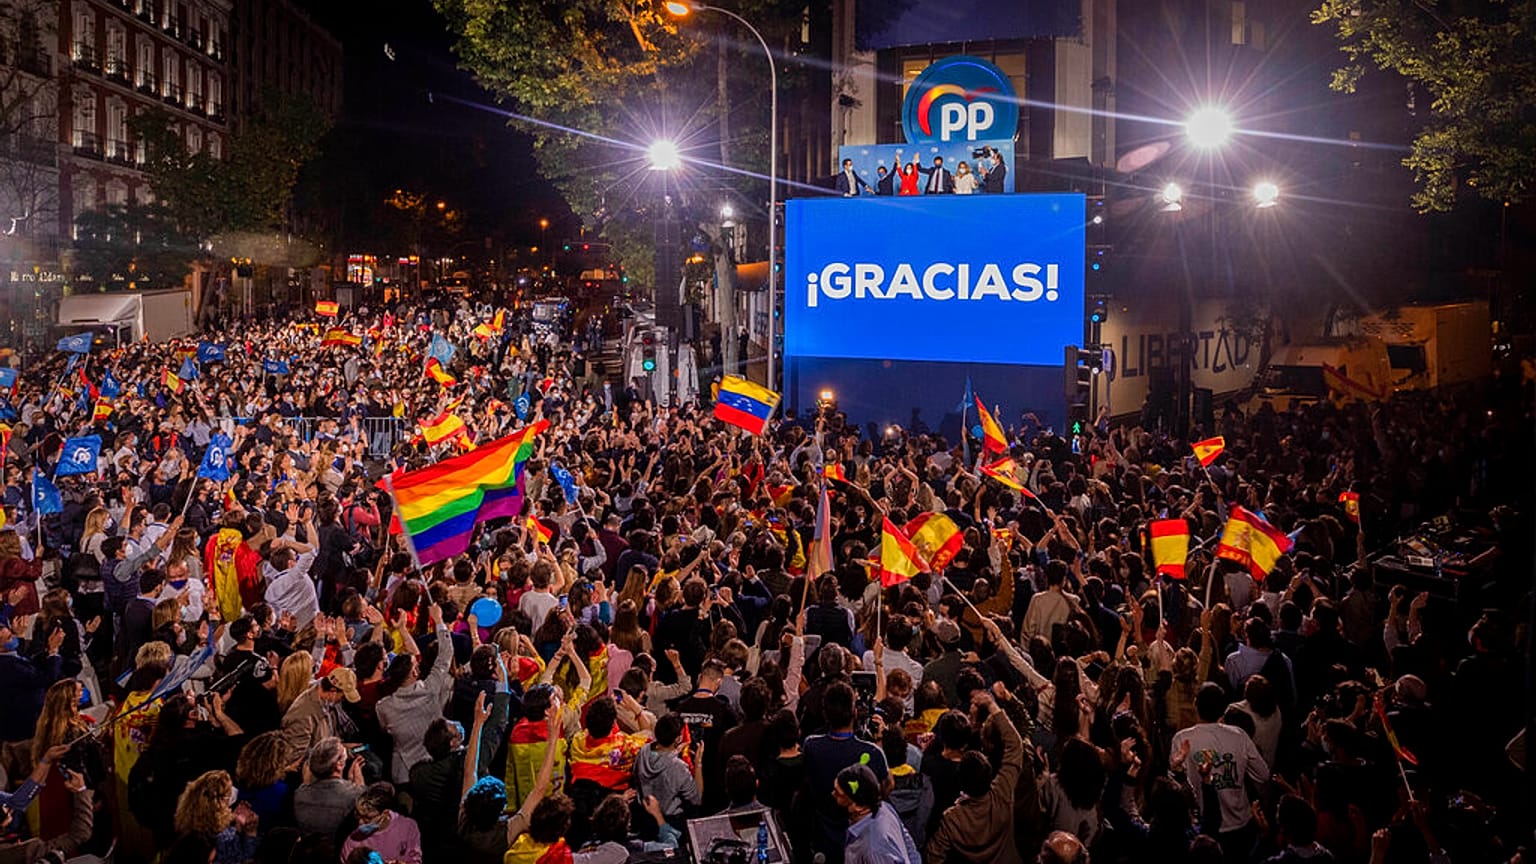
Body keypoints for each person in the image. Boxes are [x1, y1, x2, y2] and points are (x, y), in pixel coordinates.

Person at [1169, 683, 1270, 861]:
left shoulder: (1182, 739)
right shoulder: (1238, 735)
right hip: (1239, 823)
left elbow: (1175, 788)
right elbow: (1263, 774)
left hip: (1203, 828)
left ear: (1195, 704)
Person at [925, 692, 1025, 863]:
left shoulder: (952, 817)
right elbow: (1015, 746)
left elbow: (933, 856)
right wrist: (992, 706)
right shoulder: (1002, 793)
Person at [376, 602, 454, 783]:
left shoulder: (383, 707)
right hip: (433, 768)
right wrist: (439, 621)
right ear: (414, 672)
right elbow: (445, 655)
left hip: (402, 774)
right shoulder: (431, 689)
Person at [834, 762, 920, 864]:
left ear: (858, 806)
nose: (833, 794)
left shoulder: (873, 848)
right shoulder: (885, 807)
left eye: (838, 794)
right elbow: (909, 846)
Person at [294, 736, 368, 838]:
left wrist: (350, 782)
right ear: (339, 764)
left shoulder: (299, 794)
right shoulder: (355, 795)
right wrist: (358, 780)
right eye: (344, 753)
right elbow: (364, 802)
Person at [340, 782, 422, 864]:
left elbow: (415, 859)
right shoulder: (352, 843)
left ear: (385, 813)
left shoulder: (408, 826)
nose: (360, 822)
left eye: (368, 818)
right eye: (358, 816)